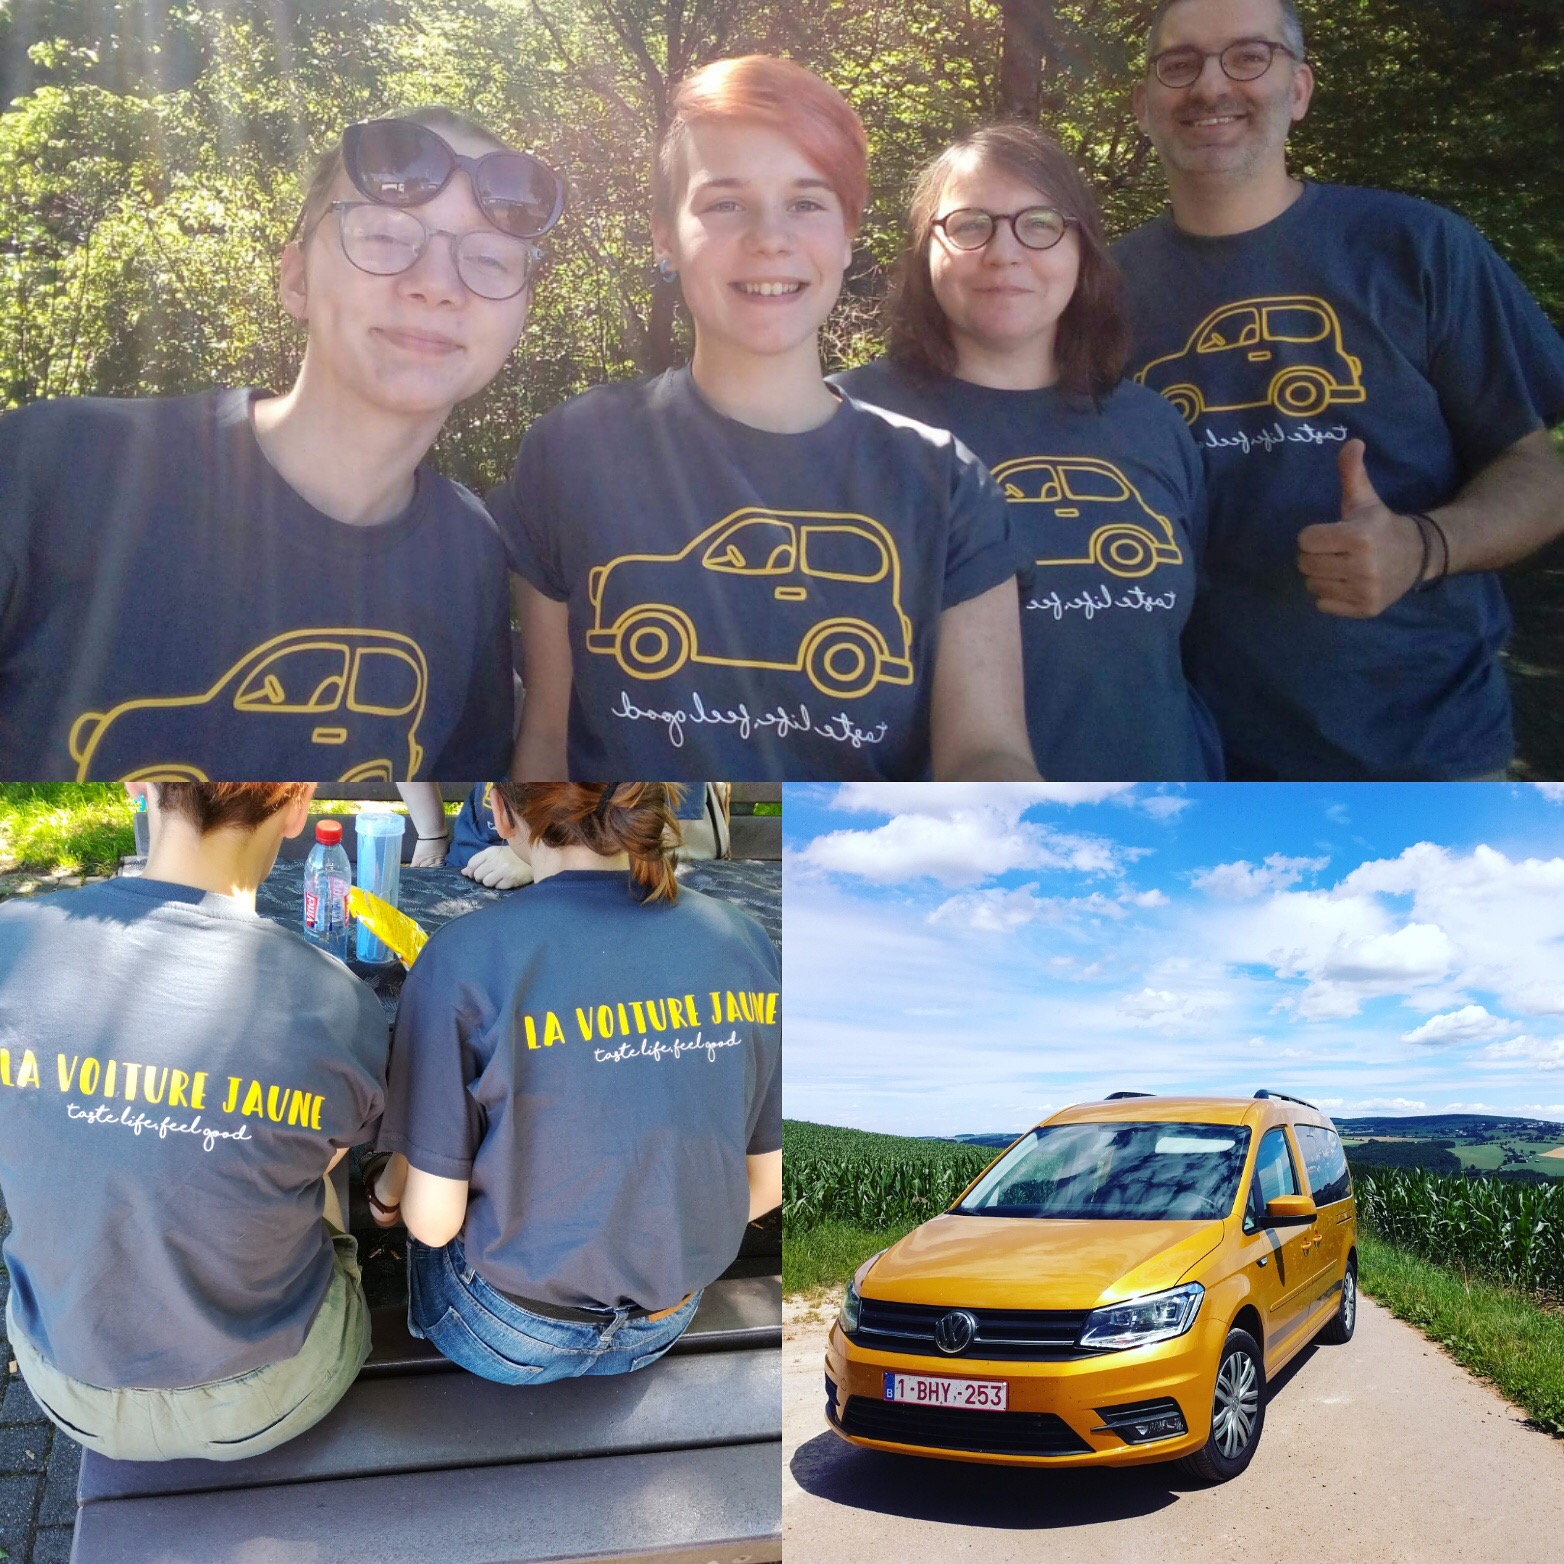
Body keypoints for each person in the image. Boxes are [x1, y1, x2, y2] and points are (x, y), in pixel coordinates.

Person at [492, 55, 1038, 782]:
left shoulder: (943, 480)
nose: (769, 237)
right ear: (664, 235)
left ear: (847, 235)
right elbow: (547, 738)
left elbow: (987, 754)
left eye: (807, 203)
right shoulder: (573, 449)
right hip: (624, 868)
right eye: (725, 204)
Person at [0, 108, 566, 780]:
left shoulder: (469, 548)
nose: (437, 286)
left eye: (489, 257)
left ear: (521, 314)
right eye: (387, 238)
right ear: (297, 279)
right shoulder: (59, 464)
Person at [1113, 0, 1564, 780]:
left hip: (1423, 758)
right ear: (1145, 103)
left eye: (1249, 57)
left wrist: (1424, 546)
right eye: (1180, 64)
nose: (1211, 85)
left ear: (1300, 89)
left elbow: (1537, 468)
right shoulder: (1096, 291)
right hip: (1190, 754)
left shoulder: (1414, 246)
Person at [0, 783, 388, 1461]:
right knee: (315, 1171)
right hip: (274, 1397)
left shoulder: (13, 943)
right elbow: (324, 1159)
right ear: (299, 806)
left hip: (67, 1389)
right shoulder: (336, 1000)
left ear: (139, 787)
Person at [835, 123, 1221, 781]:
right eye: (970, 225)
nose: (1004, 252)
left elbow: (1191, 650)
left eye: (1039, 223)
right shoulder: (846, 423)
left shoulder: (1149, 423)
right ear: (926, 250)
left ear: (1082, 249)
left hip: (1168, 834)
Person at [364, 782, 782, 1385]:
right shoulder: (742, 939)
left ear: (500, 811)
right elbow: (763, 1187)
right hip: (668, 1317)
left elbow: (433, 1224)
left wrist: (394, 1185)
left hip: (504, 1331)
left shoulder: (463, 955)